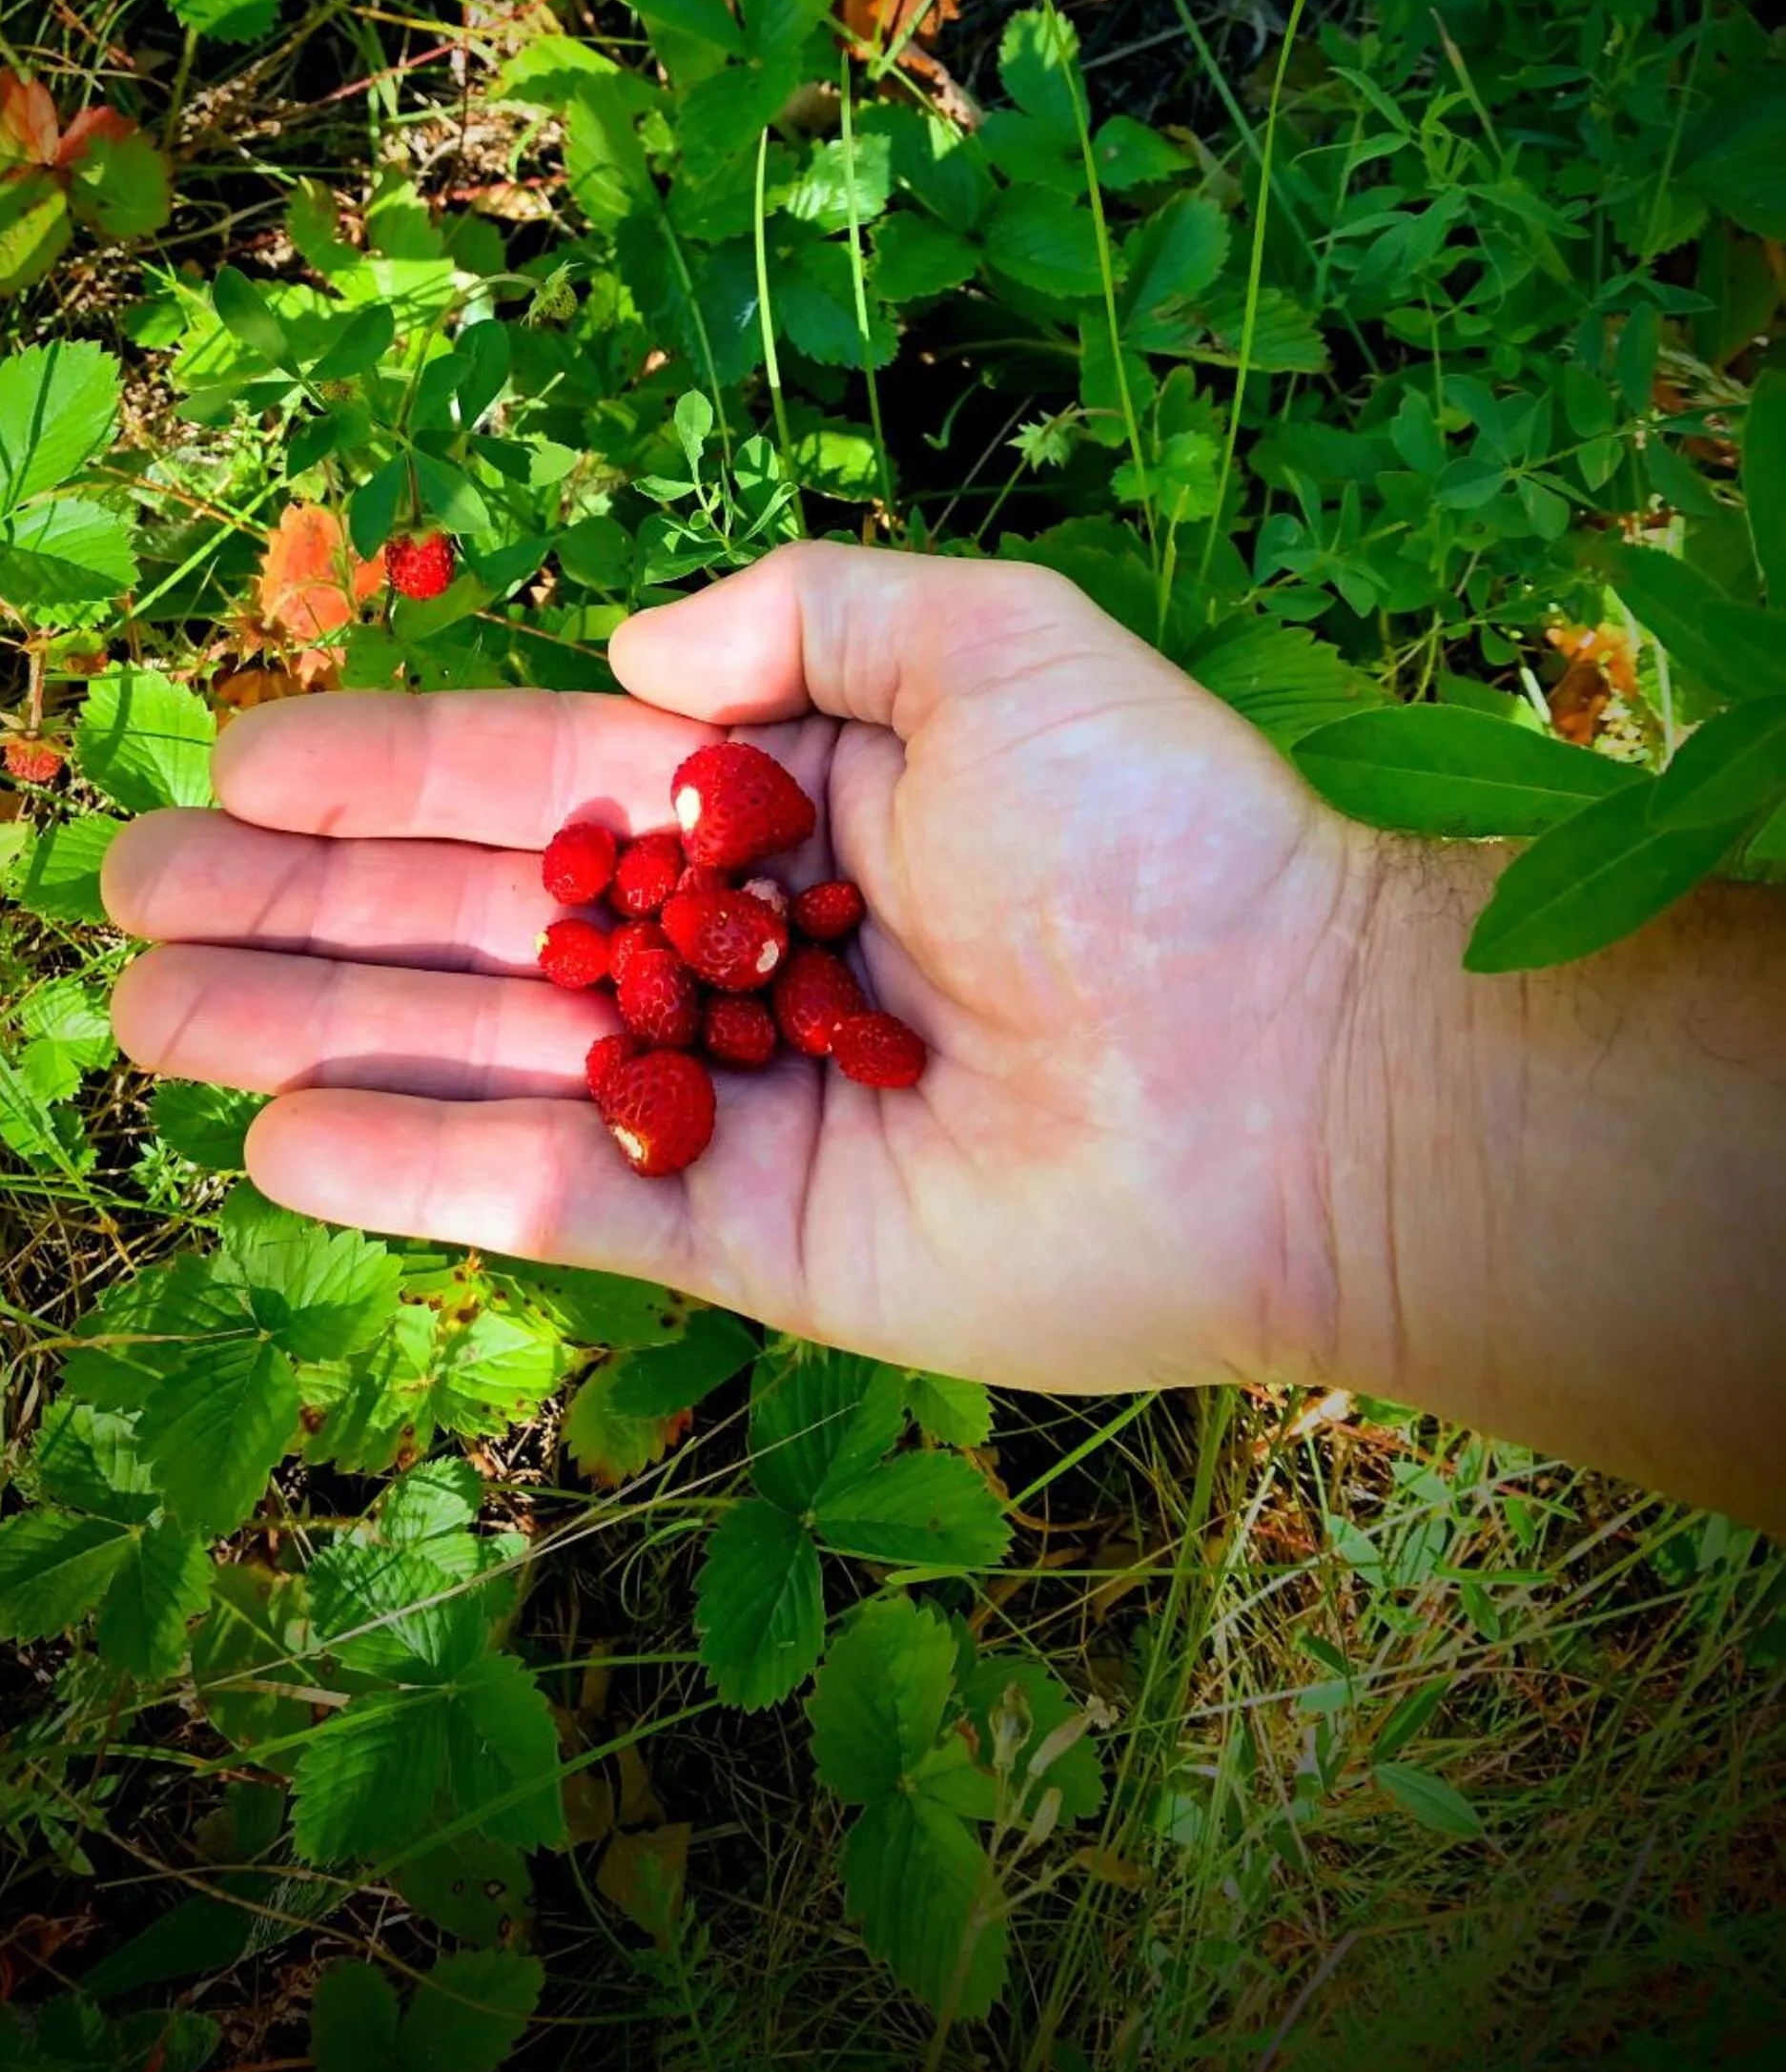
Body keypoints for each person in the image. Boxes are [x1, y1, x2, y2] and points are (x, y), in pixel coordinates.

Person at [102, 544, 1786, 1540]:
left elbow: (762, 986)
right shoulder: (714, 947)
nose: (735, 929)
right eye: (723, 923)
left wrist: (1324, 1021)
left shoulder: (764, 957)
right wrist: (1339, 1045)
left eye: (732, 910)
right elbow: (724, 984)